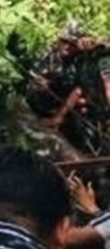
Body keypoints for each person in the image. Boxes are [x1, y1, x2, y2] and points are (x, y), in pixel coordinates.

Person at [25, 21, 110, 156]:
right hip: (49, 101)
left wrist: (96, 44)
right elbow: (37, 82)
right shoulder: (48, 54)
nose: (67, 46)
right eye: (64, 41)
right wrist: (45, 84)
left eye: (72, 44)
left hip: (76, 106)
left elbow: (79, 88)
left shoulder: (83, 59)